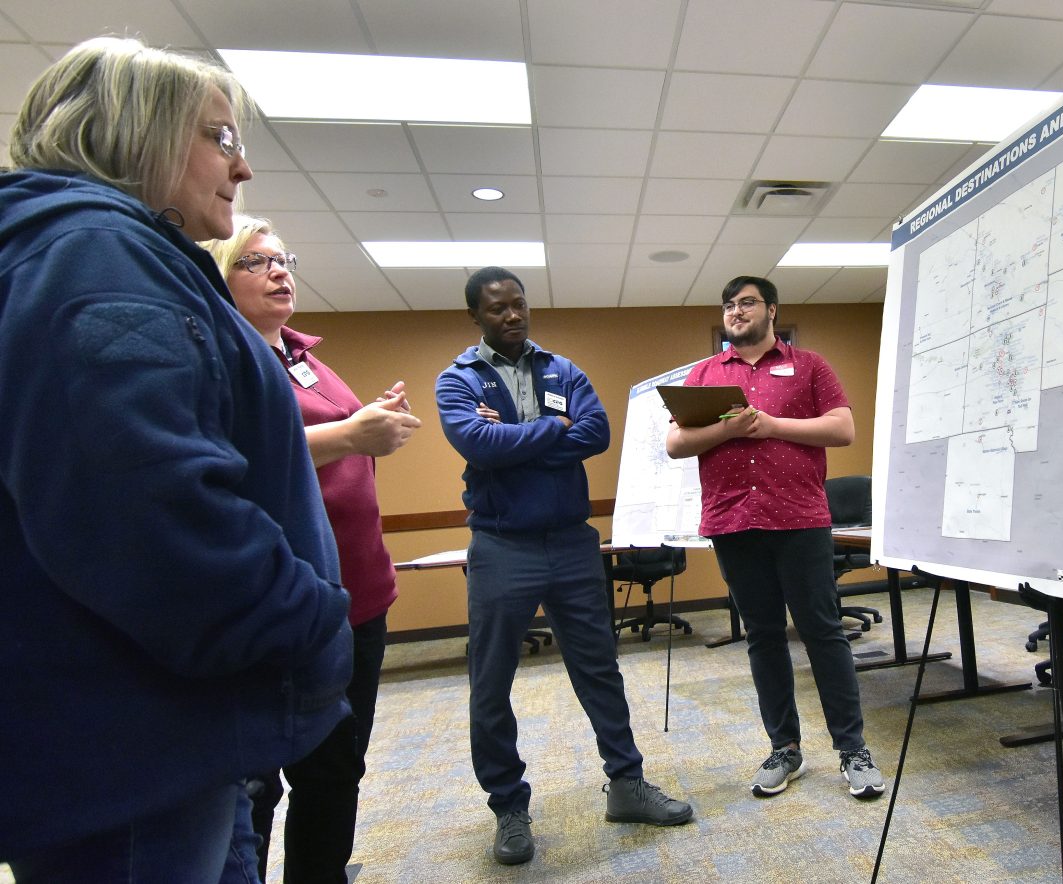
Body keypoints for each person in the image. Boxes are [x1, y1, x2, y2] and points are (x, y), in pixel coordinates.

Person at [0, 37, 354, 882]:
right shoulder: (95, 259)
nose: (243, 168)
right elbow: (149, 516)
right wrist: (311, 621)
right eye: (220, 138)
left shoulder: (98, 253)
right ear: (136, 133)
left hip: (137, 720)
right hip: (132, 742)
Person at [434, 266, 693, 866]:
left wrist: (517, 440)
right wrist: (554, 428)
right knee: (491, 681)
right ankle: (508, 808)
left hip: (573, 543)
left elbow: (596, 434)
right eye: (498, 308)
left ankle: (627, 785)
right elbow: (478, 445)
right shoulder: (457, 378)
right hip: (501, 548)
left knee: (599, 667)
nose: (513, 315)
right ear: (476, 315)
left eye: (520, 304)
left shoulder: (562, 369)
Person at [202, 216, 422, 883]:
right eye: (255, 261)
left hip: (357, 595)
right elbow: (229, 457)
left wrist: (368, 421)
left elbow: (332, 442)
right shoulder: (216, 351)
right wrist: (352, 436)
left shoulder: (301, 354)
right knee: (254, 782)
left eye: (284, 258)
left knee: (336, 767)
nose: (279, 271)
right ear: (215, 275)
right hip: (276, 599)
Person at [665, 275, 886, 800]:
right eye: (728, 305)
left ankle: (852, 749)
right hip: (733, 521)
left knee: (822, 633)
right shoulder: (704, 374)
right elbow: (676, 443)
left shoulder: (810, 366)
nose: (735, 312)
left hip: (800, 518)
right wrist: (730, 429)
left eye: (746, 303)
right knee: (763, 637)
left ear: (771, 310)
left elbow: (842, 429)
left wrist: (772, 425)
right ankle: (784, 747)